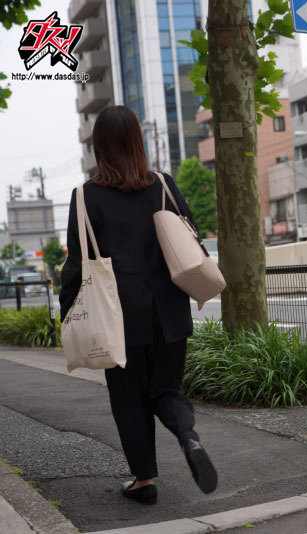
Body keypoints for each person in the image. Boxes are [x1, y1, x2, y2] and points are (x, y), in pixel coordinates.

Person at [59, 105, 217, 505]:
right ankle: (188, 437)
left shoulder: (85, 197)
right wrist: (196, 288)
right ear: (137, 141)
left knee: (128, 397)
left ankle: (144, 481)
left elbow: (76, 265)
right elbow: (189, 241)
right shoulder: (162, 185)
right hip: (169, 310)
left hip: (116, 317)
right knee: (167, 389)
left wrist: (68, 314)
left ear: (99, 147)